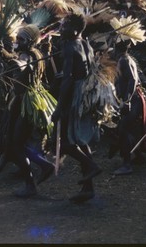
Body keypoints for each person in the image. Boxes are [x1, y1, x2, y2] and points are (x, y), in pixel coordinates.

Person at [0, 25, 56, 197]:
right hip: (30, 100)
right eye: (18, 39)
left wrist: (4, 55)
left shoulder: (28, 56)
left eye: (21, 40)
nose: (18, 42)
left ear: (30, 41)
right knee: (17, 144)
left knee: (16, 145)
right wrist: (5, 55)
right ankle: (40, 171)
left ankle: (34, 180)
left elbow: (20, 65)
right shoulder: (35, 53)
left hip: (26, 102)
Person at [51, 13, 103, 203]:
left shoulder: (69, 46)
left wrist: (58, 108)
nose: (60, 29)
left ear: (74, 29)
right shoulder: (85, 43)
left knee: (65, 143)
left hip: (76, 96)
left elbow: (68, 80)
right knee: (81, 141)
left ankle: (92, 165)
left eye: (64, 26)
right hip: (87, 93)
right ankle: (88, 189)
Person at [111, 39, 146, 175]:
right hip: (135, 98)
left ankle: (127, 164)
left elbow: (132, 80)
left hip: (133, 99)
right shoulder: (126, 58)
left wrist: (127, 100)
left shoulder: (124, 60)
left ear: (116, 46)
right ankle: (139, 157)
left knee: (123, 129)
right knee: (129, 128)